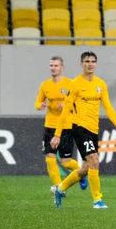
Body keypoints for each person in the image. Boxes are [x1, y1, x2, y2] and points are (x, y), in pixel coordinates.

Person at [50, 51, 116, 209]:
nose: (90, 64)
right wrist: (57, 135)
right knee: (94, 160)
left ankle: (60, 189)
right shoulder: (75, 84)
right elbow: (66, 110)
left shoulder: (100, 84)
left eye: (93, 61)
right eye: (87, 61)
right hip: (79, 128)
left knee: (87, 167)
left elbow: (108, 108)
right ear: (81, 64)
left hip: (93, 129)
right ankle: (97, 200)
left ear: (96, 64)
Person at [35, 56, 88, 191]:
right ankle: (58, 188)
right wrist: (39, 105)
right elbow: (38, 102)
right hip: (50, 126)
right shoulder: (45, 85)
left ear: (62, 68)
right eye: (51, 65)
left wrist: (66, 107)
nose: (53, 68)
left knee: (66, 162)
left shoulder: (70, 84)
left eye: (56, 65)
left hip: (66, 126)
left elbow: (79, 105)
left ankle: (81, 173)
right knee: (49, 158)